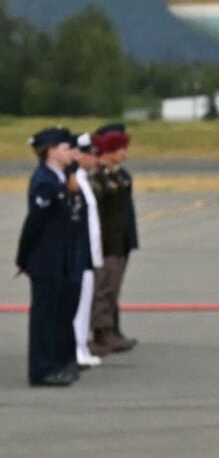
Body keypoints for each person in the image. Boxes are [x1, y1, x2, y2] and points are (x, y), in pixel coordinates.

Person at [16, 127, 86, 387]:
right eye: (66, 148)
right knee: (44, 317)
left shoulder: (59, 178)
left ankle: (56, 363)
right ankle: (42, 370)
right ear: (51, 151)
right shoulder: (44, 181)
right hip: (46, 259)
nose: (71, 152)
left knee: (58, 314)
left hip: (61, 257)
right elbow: (35, 223)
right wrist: (23, 258)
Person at [90, 129, 137, 354]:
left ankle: (108, 330)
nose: (124, 154)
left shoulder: (116, 175)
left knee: (112, 289)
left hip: (118, 241)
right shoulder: (97, 177)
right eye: (120, 149)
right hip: (106, 243)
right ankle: (100, 332)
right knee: (103, 289)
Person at [72, 133, 105, 368]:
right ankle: (75, 348)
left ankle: (81, 347)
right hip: (78, 253)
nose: (95, 158)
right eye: (90, 154)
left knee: (84, 304)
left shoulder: (83, 179)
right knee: (77, 306)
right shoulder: (74, 181)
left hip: (88, 253)